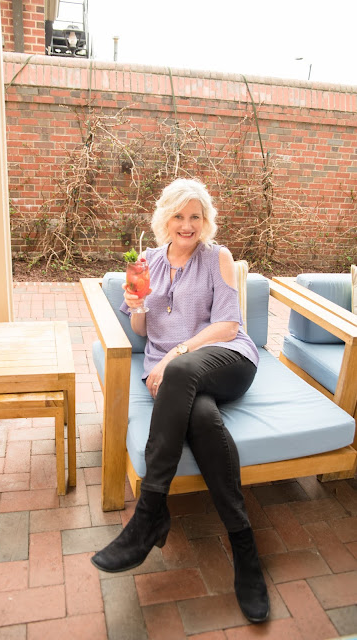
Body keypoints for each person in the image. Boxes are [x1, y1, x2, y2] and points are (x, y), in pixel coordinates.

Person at [91, 178, 269, 623]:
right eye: (179, 216)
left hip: (226, 359)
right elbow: (141, 329)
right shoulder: (144, 262)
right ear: (164, 219)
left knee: (183, 371)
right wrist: (136, 304)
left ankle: (149, 514)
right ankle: (244, 547)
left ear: (205, 221)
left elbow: (228, 325)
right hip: (175, 377)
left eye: (195, 216)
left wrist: (175, 355)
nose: (187, 225)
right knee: (203, 418)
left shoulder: (217, 257)